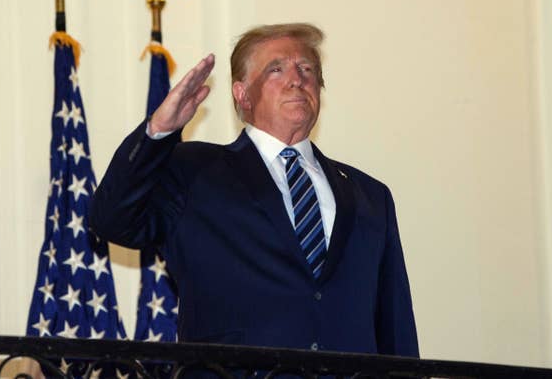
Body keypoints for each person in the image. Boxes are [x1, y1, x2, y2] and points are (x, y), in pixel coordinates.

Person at [90, 23, 419, 356]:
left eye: (307, 69)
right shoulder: (194, 170)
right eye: (276, 69)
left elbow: (395, 329)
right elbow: (111, 219)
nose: (297, 79)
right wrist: (157, 132)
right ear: (242, 94)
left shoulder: (370, 196)